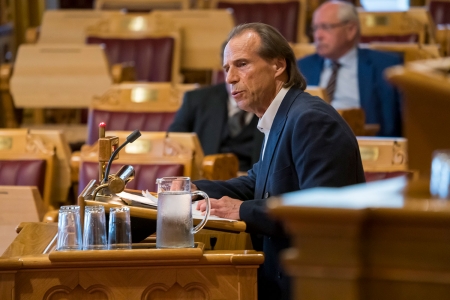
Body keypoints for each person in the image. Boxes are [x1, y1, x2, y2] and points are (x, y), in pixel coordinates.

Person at [193, 23, 366, 300]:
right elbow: (257, 184)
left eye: (241, 64)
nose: (230, 78)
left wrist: (242, 211)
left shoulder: (311, 120)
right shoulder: (280, 116)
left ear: (277, 66)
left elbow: (320, 212)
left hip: (312, 284)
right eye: (227, 69)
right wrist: (191, 191)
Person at [297, 0, 403, 137]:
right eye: (315, 28)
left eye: (326, 27)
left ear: (351, 30)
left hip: (361, 144)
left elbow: (395, 125)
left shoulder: (385, 67)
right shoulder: (302, 67)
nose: (318, 35)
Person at [168, 81, 264, 172]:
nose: (232, 77)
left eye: (242, 65)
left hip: (253, 183)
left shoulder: (271, 105)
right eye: (227, 69)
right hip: (206, 179)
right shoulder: (196, 99)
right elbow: (173, 139)